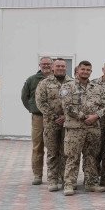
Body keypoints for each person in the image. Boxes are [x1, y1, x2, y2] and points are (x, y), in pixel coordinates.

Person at [60, 61, 105, 196]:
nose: (85, 72)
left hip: (93, 128)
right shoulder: (68, 87)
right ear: (77, 70)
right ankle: (69, 184)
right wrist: (84, 116)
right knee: (72, 157)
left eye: (88, 70)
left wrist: (96, 116)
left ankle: (91, 183)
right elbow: (67, 106)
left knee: (91, 157)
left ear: (91, 72)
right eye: (83, 69)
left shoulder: (97, 88)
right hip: (75, 128)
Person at [35, 58, 68, 191]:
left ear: (66, 68)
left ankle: (65, 178)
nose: (60, 68)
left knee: (66, 152)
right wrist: (55, 117)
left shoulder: (72, 82)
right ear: (53, 68)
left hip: (68, 124)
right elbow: (40, 103)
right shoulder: (44, 83)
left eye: (63, 66)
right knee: (53, 152)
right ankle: (52, 180)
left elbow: (78, 101)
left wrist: (66, 116)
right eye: (58, 66)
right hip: (51, 124)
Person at [22, 56, 52, 185]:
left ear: (52, 65)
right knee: (38, 146)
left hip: (55, 119)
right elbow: (25, 97)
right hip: (38, 118)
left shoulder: (58, 79)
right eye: (43, 64)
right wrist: (33, 109)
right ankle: (37, 175)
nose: (46, 66)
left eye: (48, 64)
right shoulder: (32, 80)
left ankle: (55, 175)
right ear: (39, 65)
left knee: (55, 147)